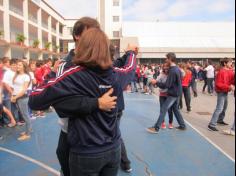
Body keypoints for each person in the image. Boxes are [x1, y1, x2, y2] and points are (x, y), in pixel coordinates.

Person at [29, 28, 137, 176]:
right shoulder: (115, 74)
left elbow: (35, 100)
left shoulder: (73, 75)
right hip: (113, 149)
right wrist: (131, 53)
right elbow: (130, 69)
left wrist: (53, 72)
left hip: (86, 152)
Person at [147, 52, 186, 134]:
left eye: (167, 58)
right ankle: (182, 125)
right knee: (175, 109)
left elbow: (167, 85)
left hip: (173, 94)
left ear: (170, 59)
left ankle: (156, 128)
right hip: (177, 92)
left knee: (164, 109)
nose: (166, 60)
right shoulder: (177, 69)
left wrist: (155, 82)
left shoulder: (173, 70)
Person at [208, 58, 235, 132]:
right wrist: (229, 87)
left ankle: (220, 120)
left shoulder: (230, 71)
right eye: (230, 63)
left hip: (225, 91)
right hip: (221, 92)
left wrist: (231, 85)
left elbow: (232, 80)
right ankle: (211, 125)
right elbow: (218, 84)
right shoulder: (221, 72)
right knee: (219, 108)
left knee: (224, 107)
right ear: (225, 63)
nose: (231, 64)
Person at [11, 60, 32, 141]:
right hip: (16, 97)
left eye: (20, 65)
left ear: (24, 67)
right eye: (17, 65)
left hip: (22, 98)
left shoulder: (26, 76)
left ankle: (28, 134)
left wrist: (15, 97)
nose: (17, 66)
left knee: (25, 115)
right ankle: (28, 130)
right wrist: (13, 96)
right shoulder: (16, 75)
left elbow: (24, 90)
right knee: (23, 115)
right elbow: (14, 87)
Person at [156, 63, 174, 129]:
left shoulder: (172, 74)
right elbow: (157, 81)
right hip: (162, 94)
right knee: (162, 109)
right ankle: (162, 123)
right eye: (164, 67)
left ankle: (170, 123)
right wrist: (156, 83)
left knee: (169, 110)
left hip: (169, 94)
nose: (166, 69)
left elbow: (182, 74)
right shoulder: (161, 74)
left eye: (167, 67)